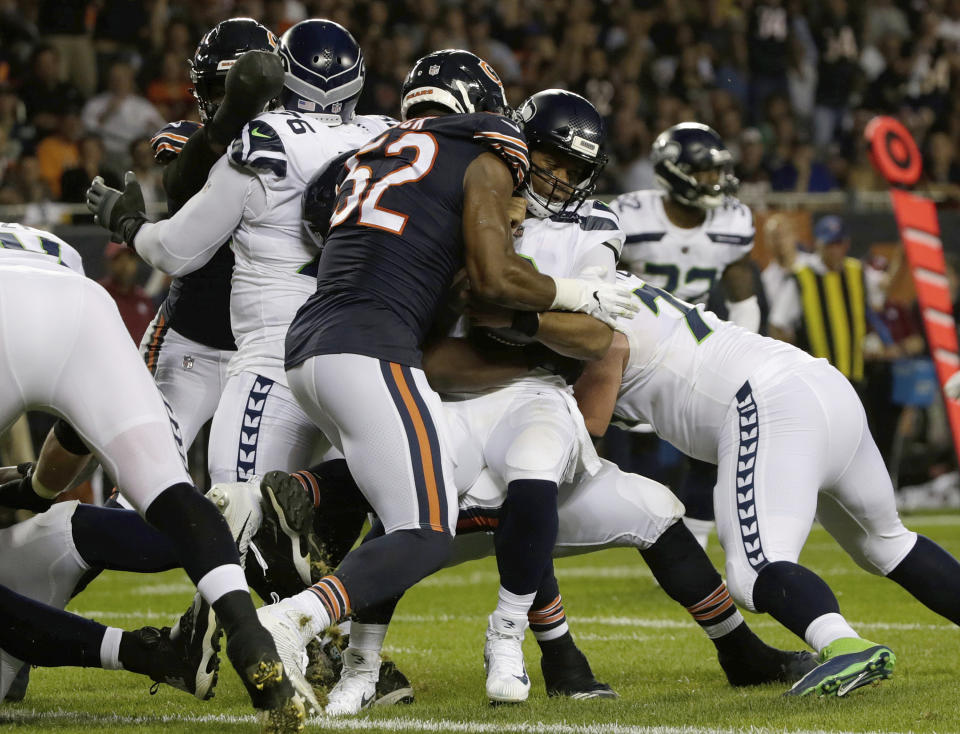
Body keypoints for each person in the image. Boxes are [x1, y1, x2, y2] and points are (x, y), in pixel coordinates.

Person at [254, 48, 637, 697]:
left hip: (308, 343)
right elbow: (494, 277)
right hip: (371, 346)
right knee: (426, 534)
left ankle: (322, 558)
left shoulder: (375, 151)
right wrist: (572, 294)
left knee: (399, 494)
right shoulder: (480, 155)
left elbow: (329, 223)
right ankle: (291, 617)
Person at [572, 270, 960, 696]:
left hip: (769, 402)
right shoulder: (600, 279)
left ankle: (843, 645)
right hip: (818, 380)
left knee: (753, 569)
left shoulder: (574, 302)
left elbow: (606, 358)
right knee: (886, 541)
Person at [0, 222, 306, 729]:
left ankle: (151, 654)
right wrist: (36, 487)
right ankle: (246, 630)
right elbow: (78, 431)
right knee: (168, 491)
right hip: (79, 300)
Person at [610, 122, 761, 547]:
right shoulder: (631, 216)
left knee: (713, 442)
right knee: (620, 447)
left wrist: (740, 354)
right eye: (703, 171)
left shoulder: (732, 222)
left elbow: (742, 295)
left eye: (716, 171)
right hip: (632, 346)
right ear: (674, 171)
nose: (714, 181)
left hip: (694, 347)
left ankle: (692, 544)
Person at [768, 214, 868, 385]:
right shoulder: (803, 277)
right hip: (817, 379)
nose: (835, 250)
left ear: (847, 244)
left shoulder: (856, 271)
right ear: (818, 244)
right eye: (829, 244)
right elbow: (778, 324)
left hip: (855, 374)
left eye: (838, 243)